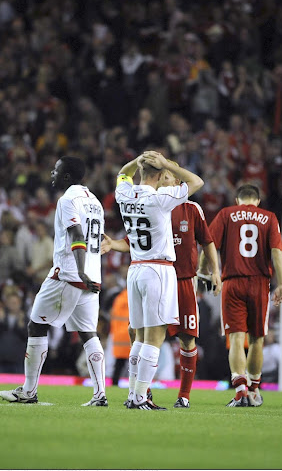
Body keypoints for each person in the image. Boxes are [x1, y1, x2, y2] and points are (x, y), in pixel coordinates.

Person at [102, 165, 221, 408]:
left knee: (186, 339)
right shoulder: (157, 201)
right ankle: (140, 394)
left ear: (177, 182)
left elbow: (207, 241)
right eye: (162, 175)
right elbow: (130, 240)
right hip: (159, 272)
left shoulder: (188, 207)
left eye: (168, 177)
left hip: (180, 280)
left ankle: (181, 395)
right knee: (143, 336)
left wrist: (214, 271)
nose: (163, 180)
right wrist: (115, 243)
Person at [0, 156, 108, 406]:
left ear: (67, 176)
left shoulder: (67, 199)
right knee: (88, 334)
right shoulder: (96, 202)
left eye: (56, 170)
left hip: (69, 274)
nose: (52, 173)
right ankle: (100, 394)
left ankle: (28, 391)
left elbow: (77, 234)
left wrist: (79, 271)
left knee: (36, 326)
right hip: (93, 278)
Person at [201, 184, 282, 407]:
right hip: (260, 282)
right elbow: (276, 252)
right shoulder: (269, 217)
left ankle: (240, 391)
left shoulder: (227, 214)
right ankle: (255, 390)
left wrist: (203, 271)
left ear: (237, 200)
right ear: (257, 200)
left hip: (233, 281)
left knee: (237, 338)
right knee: (258, 339)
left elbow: (209, 243)